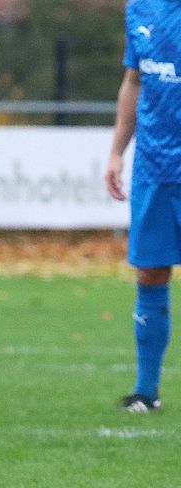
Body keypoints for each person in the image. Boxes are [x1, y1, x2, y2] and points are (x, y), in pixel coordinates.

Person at [104, 0, 180, 413]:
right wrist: (117, 151)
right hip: (154, 167)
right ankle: (146, 391)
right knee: (151, 272)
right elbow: (134, 80)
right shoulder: (139, 9)